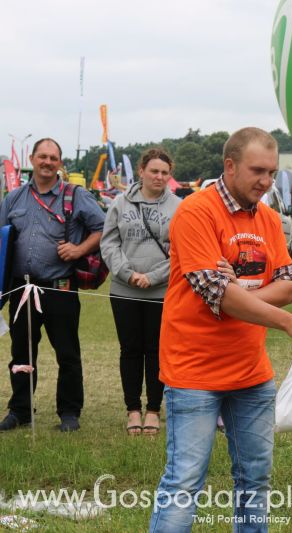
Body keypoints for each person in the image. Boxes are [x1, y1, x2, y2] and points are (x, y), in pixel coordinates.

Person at [148, 127, 292, 532]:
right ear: (229, 166)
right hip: (194, 373)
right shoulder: (196, 212)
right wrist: (270, 314)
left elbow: (287, 285)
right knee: (184, 483)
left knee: (255, 481)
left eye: (271, 172)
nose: (265, 181)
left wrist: (233, 295)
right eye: (257, 171)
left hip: (251, 373)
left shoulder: (267, 217)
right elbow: (220, 294)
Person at [0, 138, 105, 432]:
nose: (47, 162)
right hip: (21, 289)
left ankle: (69, 413)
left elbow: (104, 227)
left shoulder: (75, 195)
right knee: (21, 353)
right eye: (42, 156)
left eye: (53, 158)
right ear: (32, 159)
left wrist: (79, 249)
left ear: (60, 162)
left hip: (60, 288)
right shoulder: (14, 198)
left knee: (67, 353)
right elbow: (2, 238)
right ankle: (19, 410)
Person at [100, 148, 181, 436]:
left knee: (157, 352)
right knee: (130, 350)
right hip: (125, 290)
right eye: (154, 171)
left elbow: (184, 252)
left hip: (162, 292)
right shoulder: (120, 203)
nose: (159, 176)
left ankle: (154, 410)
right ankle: (133, 409)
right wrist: (129, 274)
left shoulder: (179, 207)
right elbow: (109, 243)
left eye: (164, 172)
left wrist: (153, 277)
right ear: (141, 171)